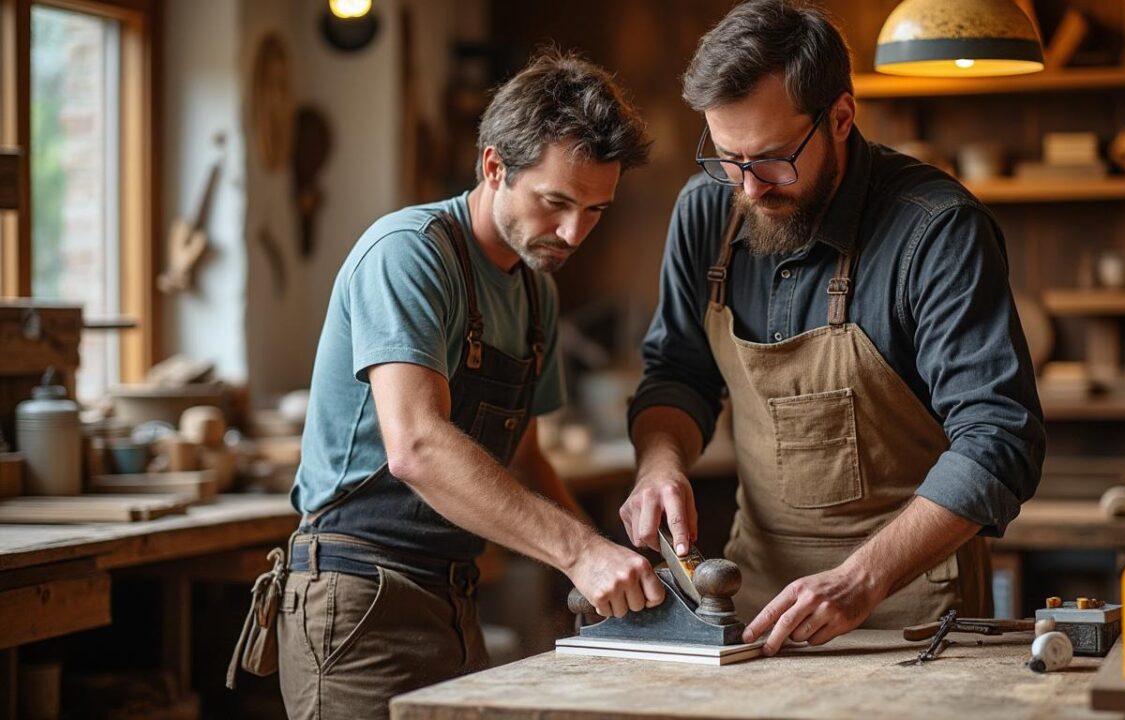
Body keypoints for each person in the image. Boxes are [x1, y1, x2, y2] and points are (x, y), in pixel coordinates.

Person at [620, 0, 1045, 657]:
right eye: (727, 158)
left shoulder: (935, 230)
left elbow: (998, 437)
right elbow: (678, 375)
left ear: (841, 118)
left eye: (769, 160)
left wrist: (860, 580)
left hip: (912, 614)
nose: (749, 188)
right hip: (748, 602)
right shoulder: (708, 213)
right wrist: (659, 464)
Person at [278, 50, 661, 719]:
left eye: (595, 210)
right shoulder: (409, 253)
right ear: (493, 166)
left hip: (452, 598)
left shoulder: (536, 288)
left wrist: (618, 572)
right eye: (555, 202)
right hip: (355, 600)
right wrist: (580, 553)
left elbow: (524, 462)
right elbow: (417, 448)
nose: (574, 233)